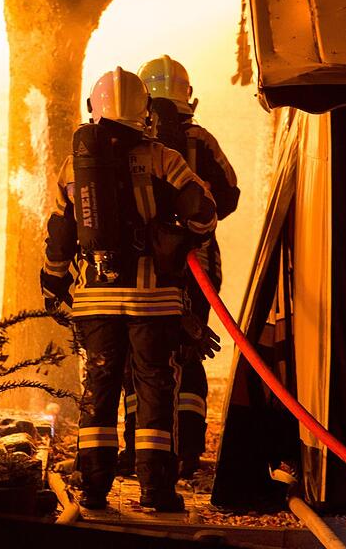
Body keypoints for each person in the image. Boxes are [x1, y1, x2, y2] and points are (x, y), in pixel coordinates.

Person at [40, 67, 217, 512]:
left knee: (98, 388)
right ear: (145, 113)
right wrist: (176, 237)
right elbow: (205, 211)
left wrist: (53, 281)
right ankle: (157, 492)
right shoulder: (164, 159)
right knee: (157, 388)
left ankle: (94, 491)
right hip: (154, 302)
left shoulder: (73, 167)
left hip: (95, 301)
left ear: (94, 110)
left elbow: (60, 234)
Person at [119, 55, 240, 479]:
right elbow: (228, 195)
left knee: (143, 352)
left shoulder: (129, 144)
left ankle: (138, 448)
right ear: (188, 97)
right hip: (199, 265)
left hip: (144, 265)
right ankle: (187, 449)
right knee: (188, 352)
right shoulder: (201, 140)